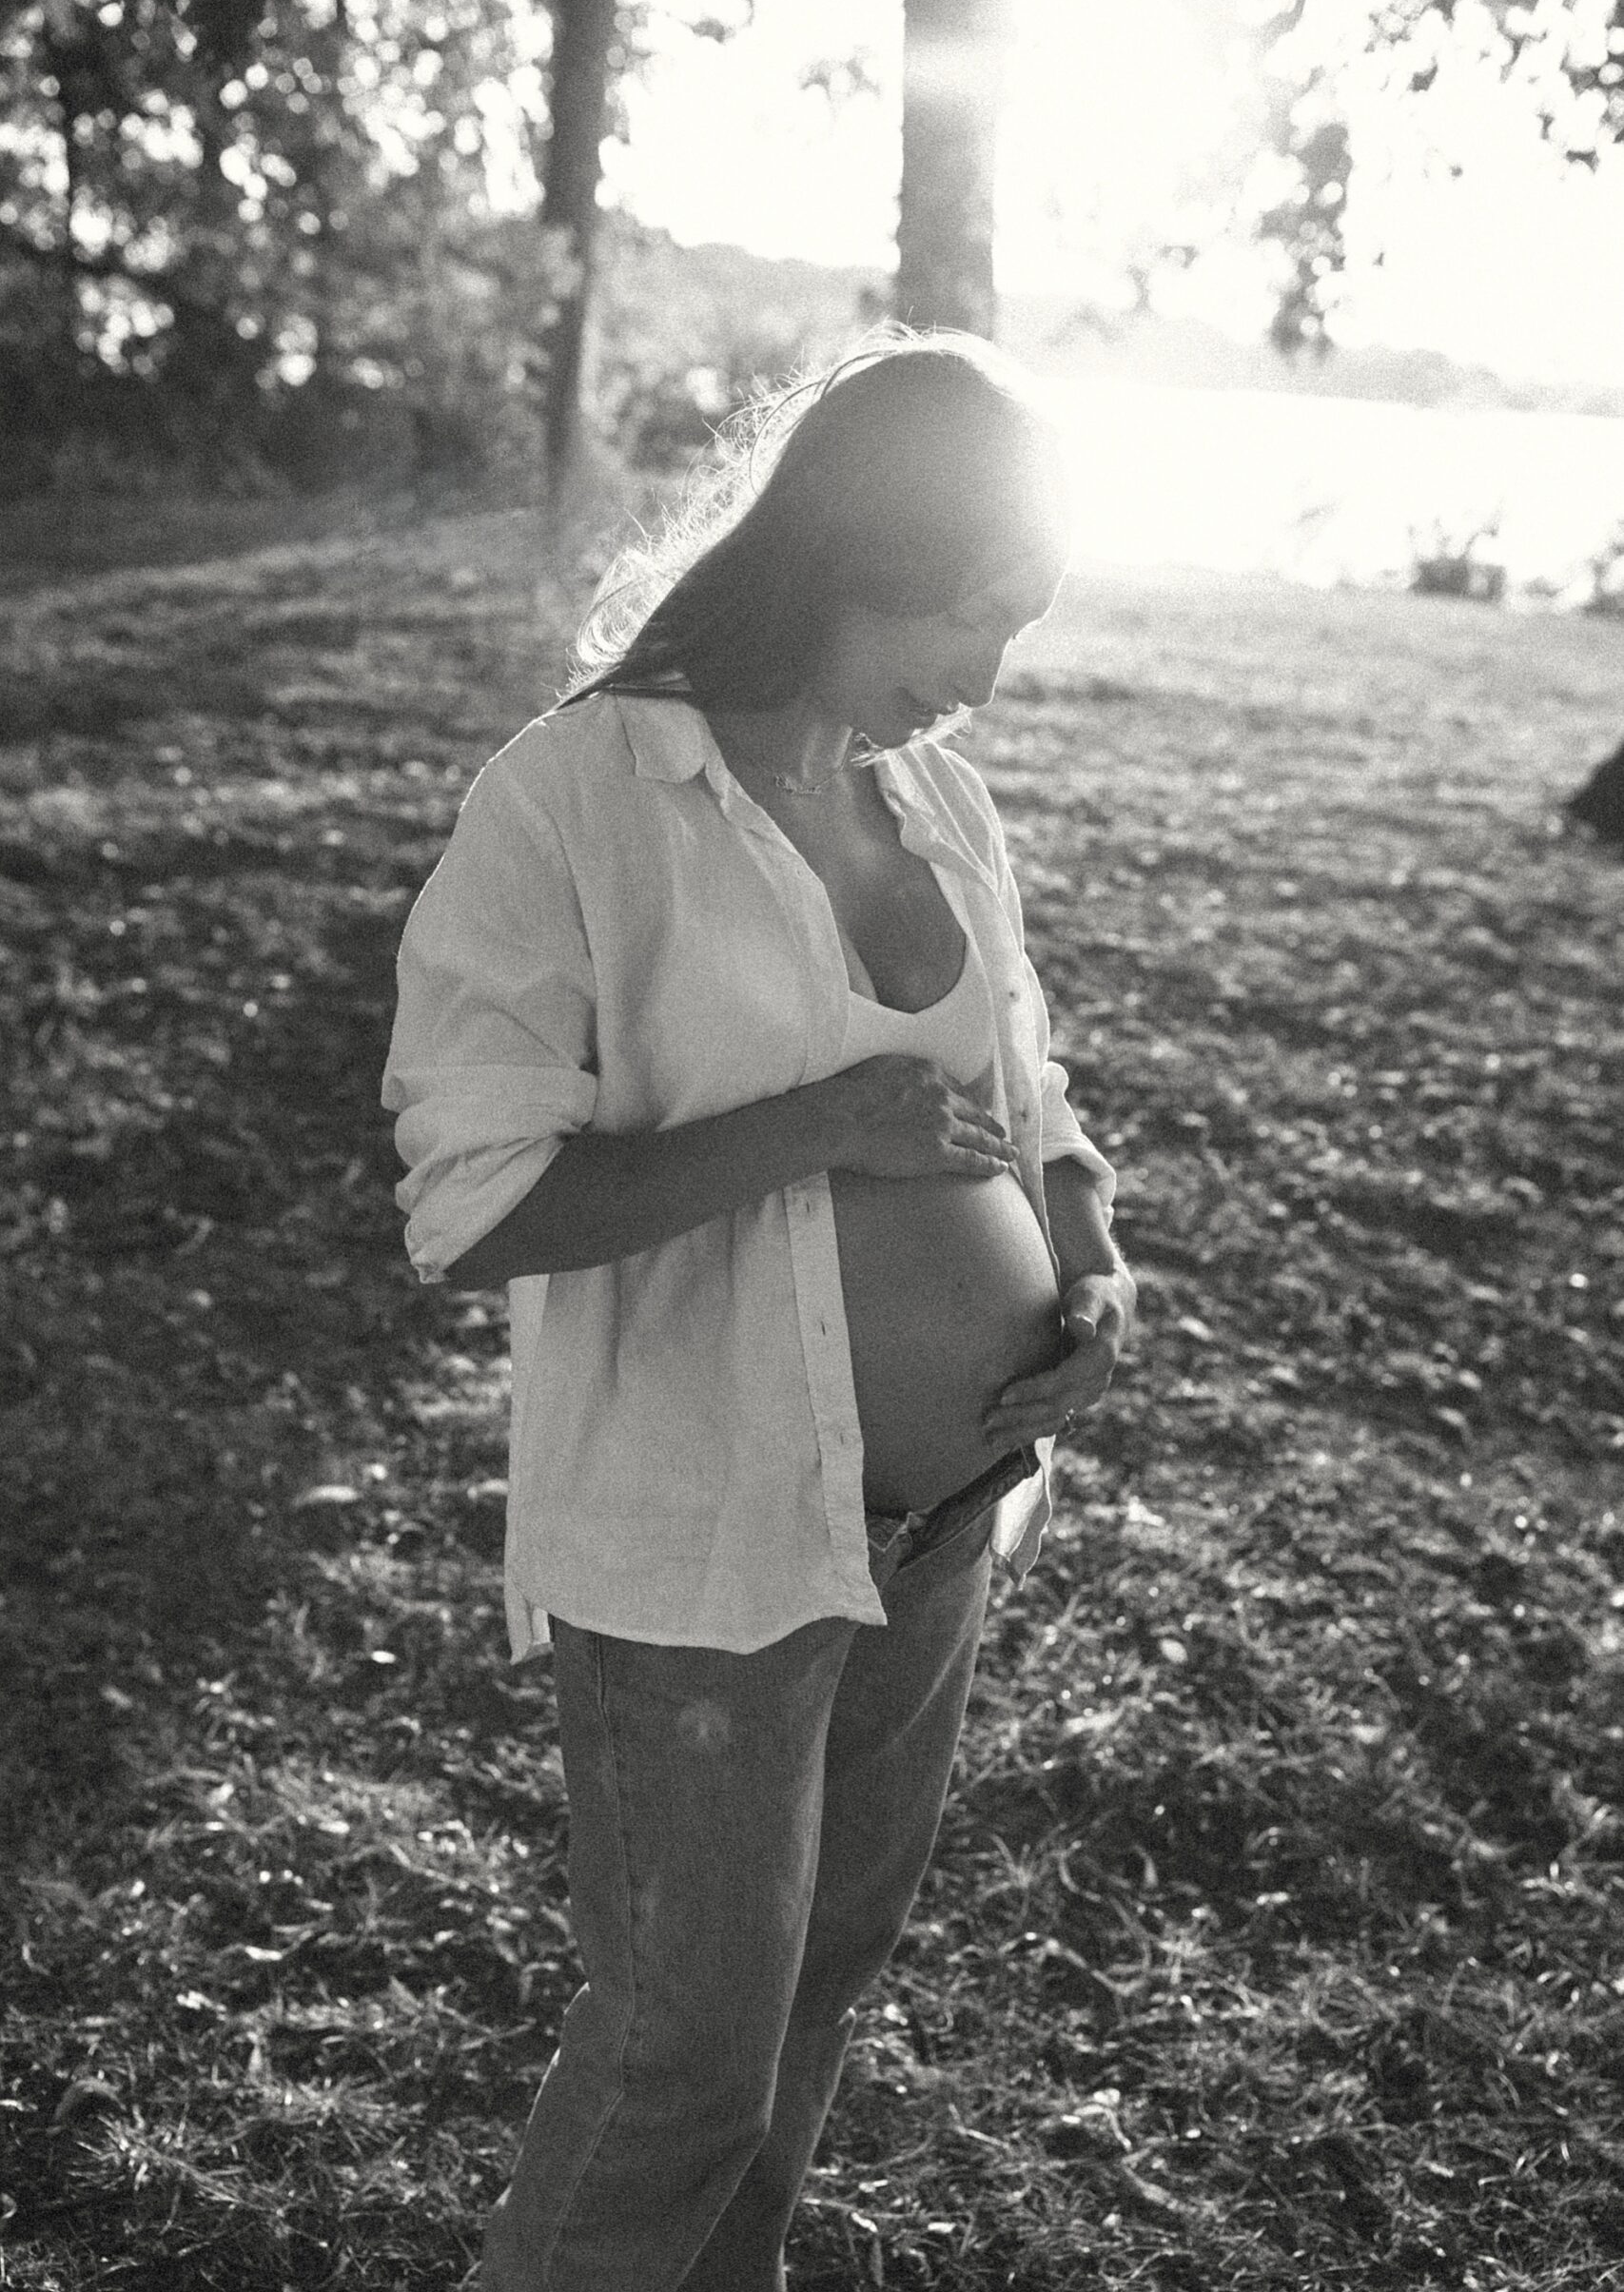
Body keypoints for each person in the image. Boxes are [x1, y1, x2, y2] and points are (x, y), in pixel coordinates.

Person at [382, 326, 1136, 2292]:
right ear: (844, 551)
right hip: (708, 1531)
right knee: (682, 2052)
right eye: (964, 620)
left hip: (937, 1522)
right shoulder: (577, 797)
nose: (981, 679)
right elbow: (472, 1207)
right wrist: (817, 1123)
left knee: (811, 1993)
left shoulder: (938, 800)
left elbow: (1029, 1092)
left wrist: (1088, 1251)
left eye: (1014, 630)